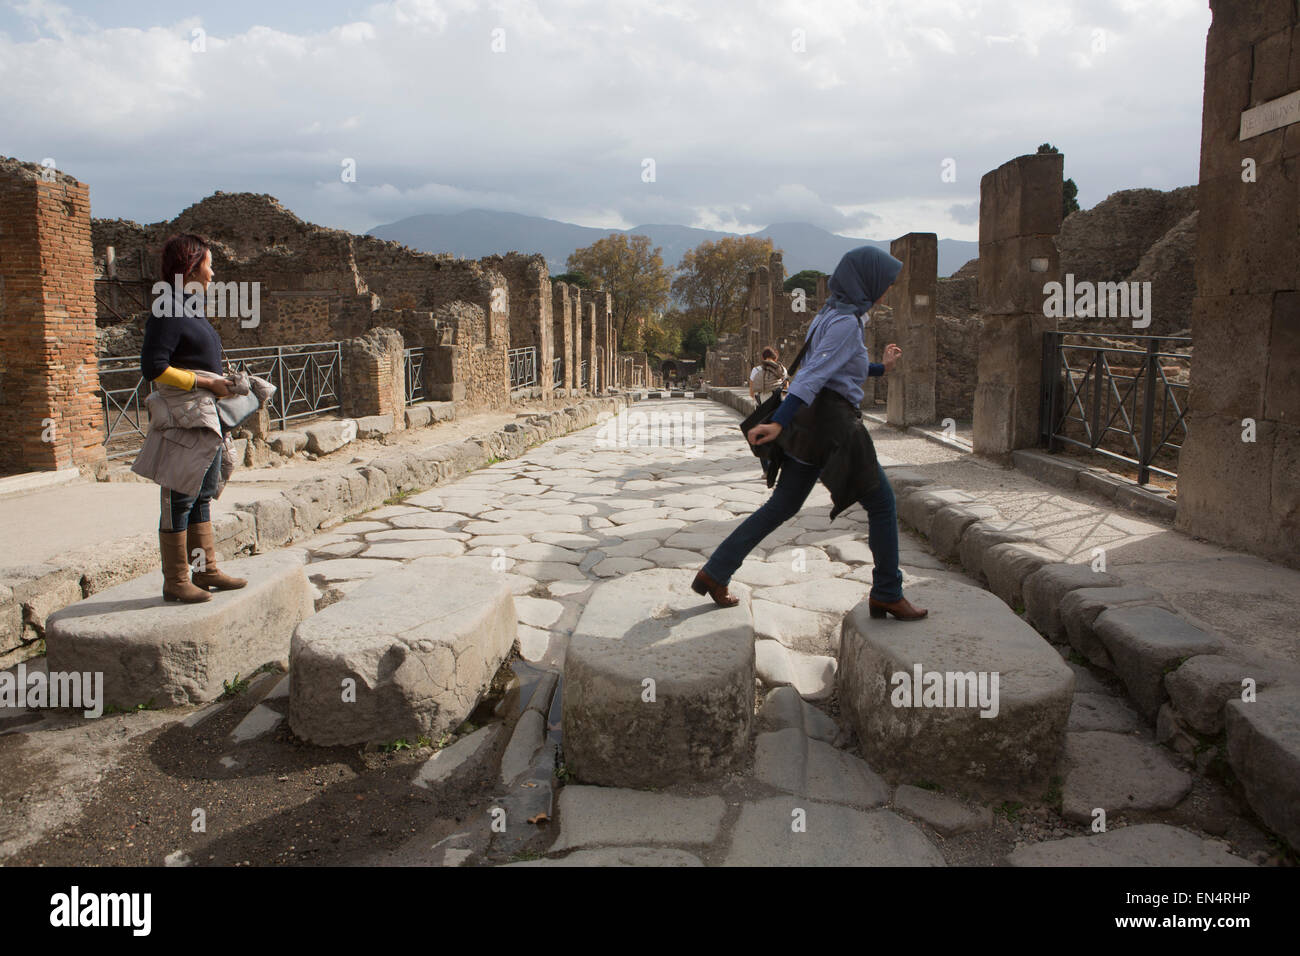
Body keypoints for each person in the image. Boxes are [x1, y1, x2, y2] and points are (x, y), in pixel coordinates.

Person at [692, 245, 928, 621]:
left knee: (782, 506)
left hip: (810, 426)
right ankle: (887, 592)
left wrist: (881, 368)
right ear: (866, 282)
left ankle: (716, 571)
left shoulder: (832, 313)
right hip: (834, 427)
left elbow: (839, 365)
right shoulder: (847, 322)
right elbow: (815, 375)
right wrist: (779, 421)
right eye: (884, 283)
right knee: (882, 504)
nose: (887, 290)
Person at [131, 234, 248, 603]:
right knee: (179, 495)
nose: (213, 274)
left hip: (205, 415)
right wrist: (205, 381)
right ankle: (177, 580)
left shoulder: (188, 306)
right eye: (209, 265)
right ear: (192, 266)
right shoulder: (167, 309)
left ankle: (205, 570)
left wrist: (221, 385)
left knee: (202, 493)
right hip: (184, 416)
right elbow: (154, 367)